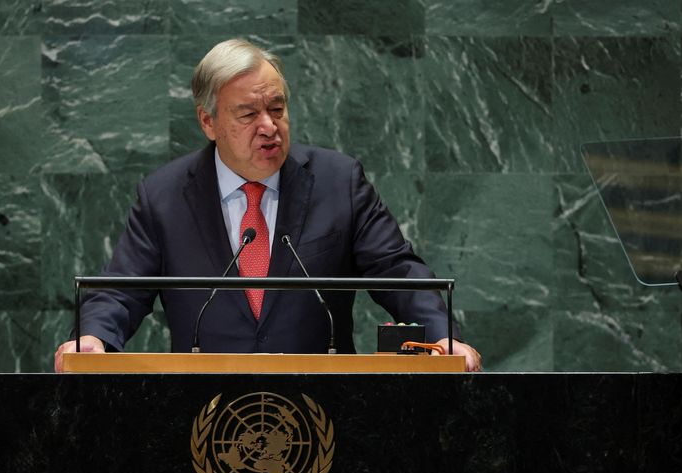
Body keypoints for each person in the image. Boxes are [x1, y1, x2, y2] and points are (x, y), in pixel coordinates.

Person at [54, 39, 482, 372]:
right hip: (201, 412)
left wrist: (443, 337)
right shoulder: (164, 196)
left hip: (327, 409)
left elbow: (397, 270)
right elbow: (120, 291)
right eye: (247, 114)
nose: (269, 127)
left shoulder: (338, 181)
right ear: (208, 122)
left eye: (277, 109)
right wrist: (93, 339)